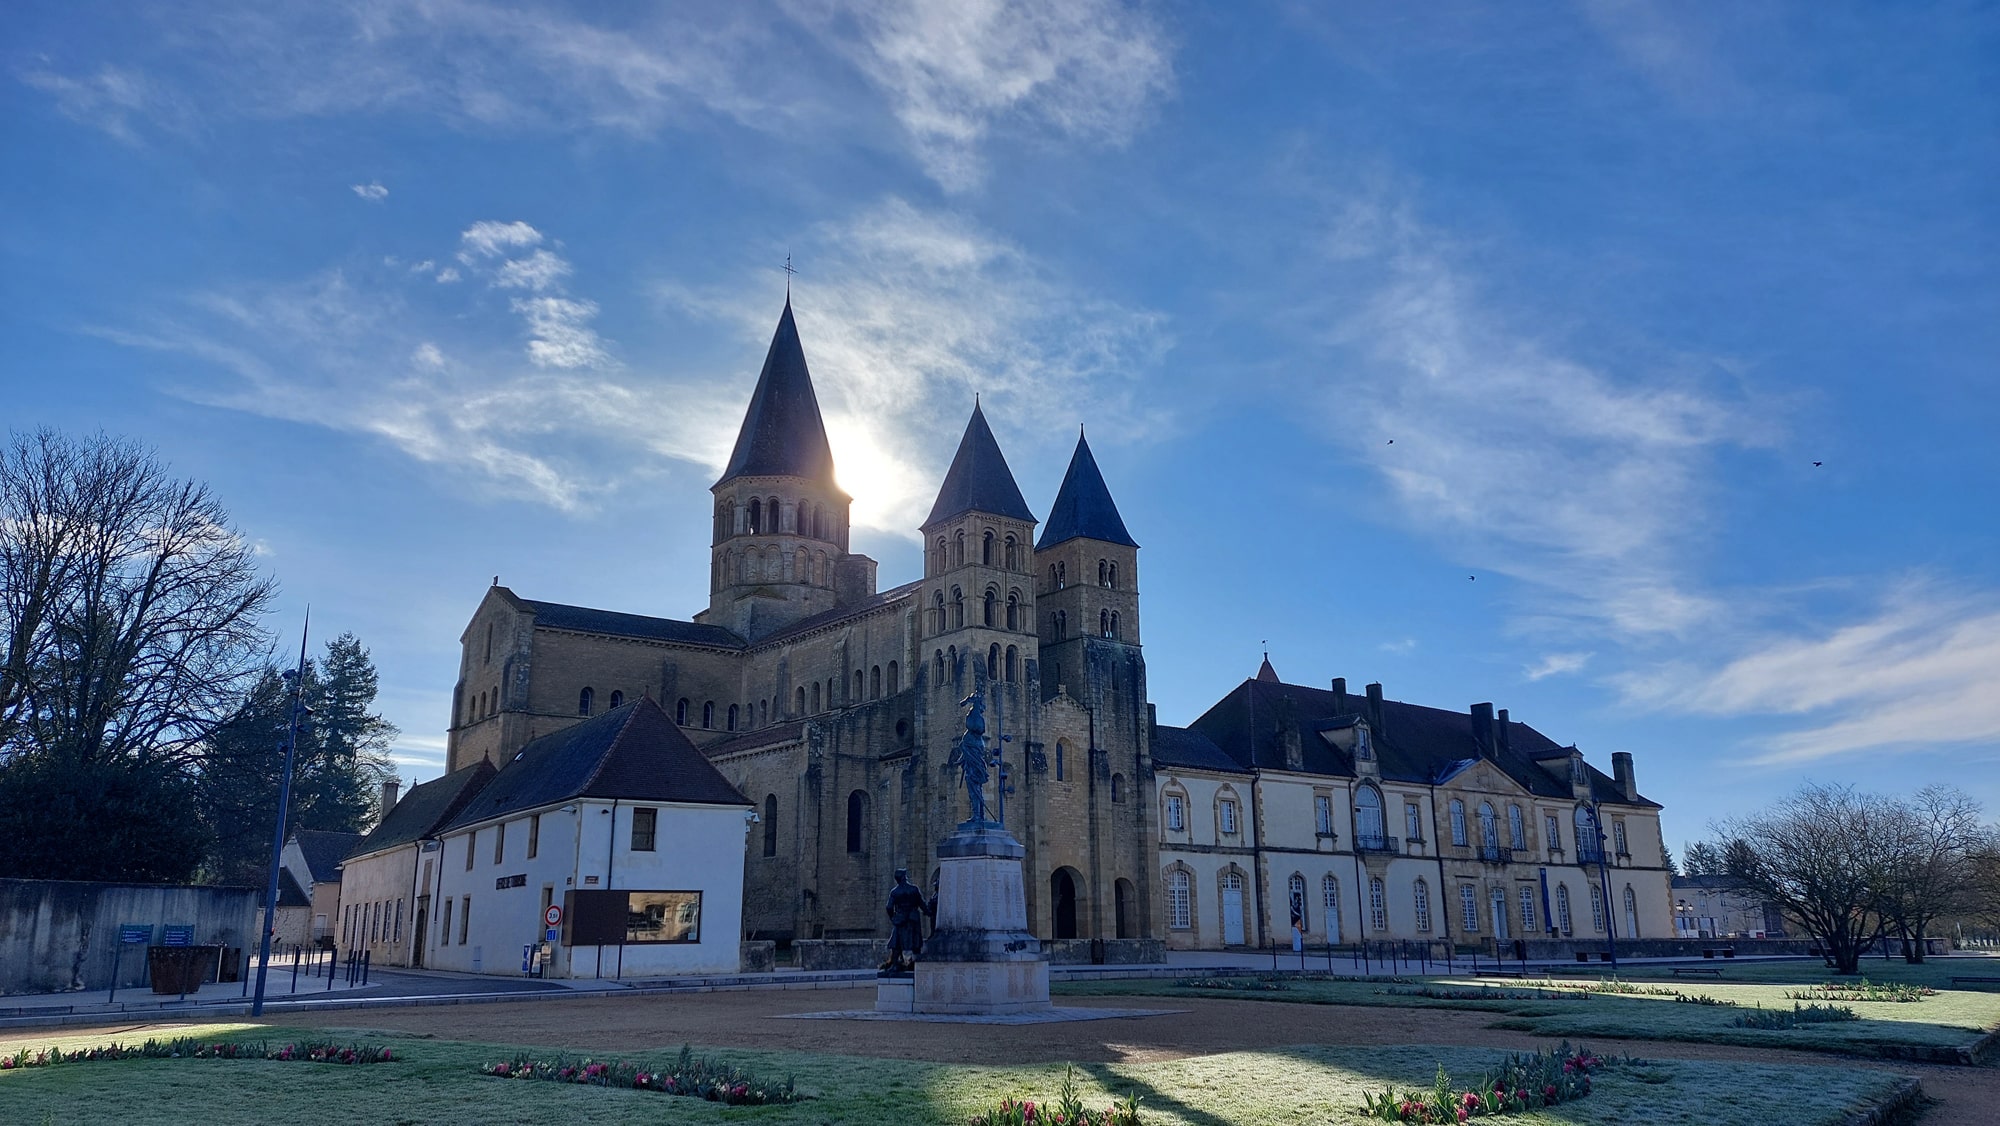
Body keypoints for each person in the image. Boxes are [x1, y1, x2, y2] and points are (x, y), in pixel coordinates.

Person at [882, 868, 929, 973]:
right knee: (915, 941)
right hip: (913, 918)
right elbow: (921, 903)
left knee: (897, 942)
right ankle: (914, 963)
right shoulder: (914, 889)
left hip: (901, 918)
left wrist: (893, 917)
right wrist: (928, 912)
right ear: (903, 878)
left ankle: (894, 964)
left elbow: (889, 907)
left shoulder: (895, 892)